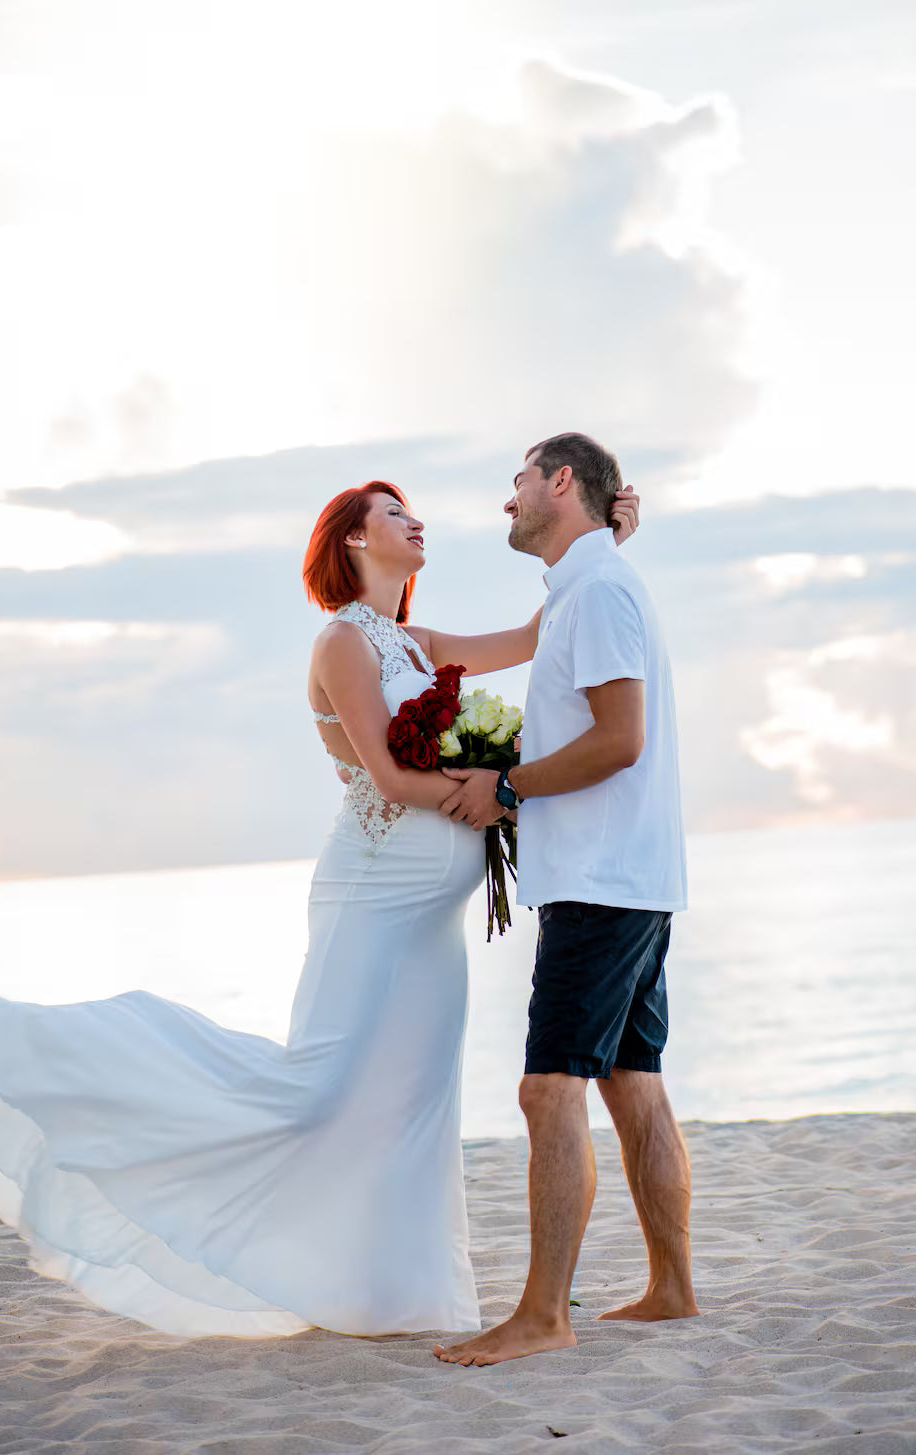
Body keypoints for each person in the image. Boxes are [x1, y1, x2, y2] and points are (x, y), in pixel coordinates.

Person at [0, 473, 640, 1339]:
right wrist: (496, 790)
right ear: (354, 539)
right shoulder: (341, 645)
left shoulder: (417, 642)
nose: (416, 520)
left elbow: (540, 634)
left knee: (415, 1100)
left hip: (434, 925)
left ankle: (396, 1297)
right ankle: (83, 1076)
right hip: (372, 900)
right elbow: (390, 779)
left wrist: (606, 541)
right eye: (395, 513)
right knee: (317, 1090)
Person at [433, 433, 698, 1368]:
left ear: (558, 483)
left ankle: (544, 1313)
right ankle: (672, 1289)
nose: (507, 501)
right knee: (634, 1084)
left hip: (600, 880)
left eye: (516, 483)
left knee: (549, 1088)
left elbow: (618, 740)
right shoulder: (590, 586)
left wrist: (507, 788)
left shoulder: (598, 594)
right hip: (626, 875)